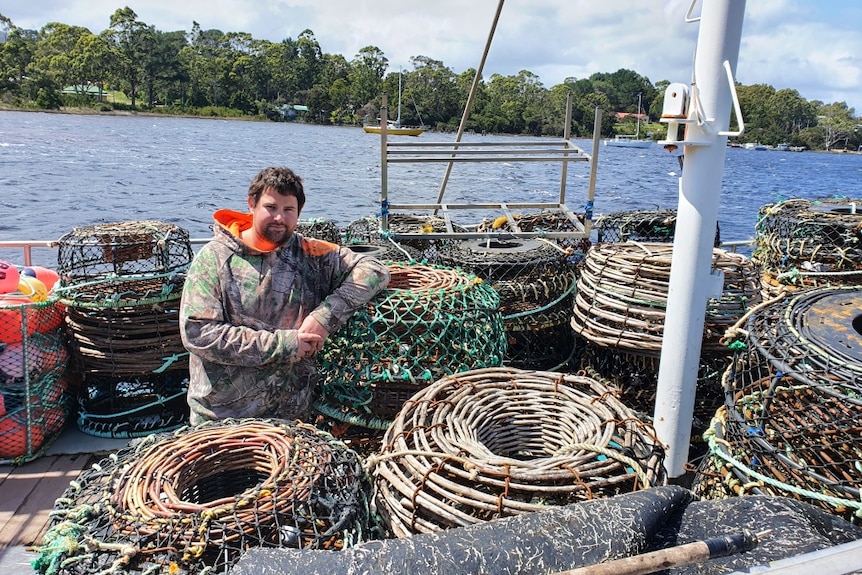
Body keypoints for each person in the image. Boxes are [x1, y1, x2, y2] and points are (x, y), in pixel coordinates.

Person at [179, 166, 390, 425]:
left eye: (288, 210)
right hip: (221, 418)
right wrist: (285, 345)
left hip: (292, 417)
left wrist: (325, 317)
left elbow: (375, 270)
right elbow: (199, 333)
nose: (279, 217)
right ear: (251, 205)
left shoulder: (310, 254)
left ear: (298, 213)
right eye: (271, 207)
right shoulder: (214, 258)